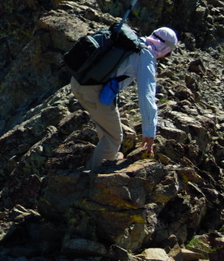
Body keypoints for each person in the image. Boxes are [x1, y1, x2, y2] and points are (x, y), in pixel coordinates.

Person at [70, 27, 178, 171]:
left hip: (78, 82)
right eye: (168, 53)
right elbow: (147, 96)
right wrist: (149, 132)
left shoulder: (133, 40)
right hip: (94, 92)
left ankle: (107, 157)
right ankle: (91, 177)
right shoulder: (145, 56)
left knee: (106, 127)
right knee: (114, 138)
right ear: (165, 48)